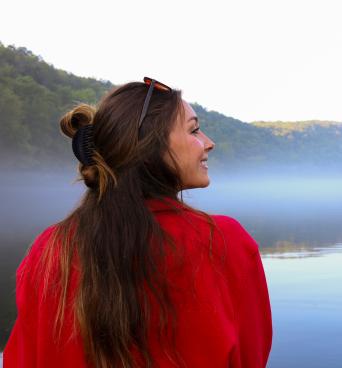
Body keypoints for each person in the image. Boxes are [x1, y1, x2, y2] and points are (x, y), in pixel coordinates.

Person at [3, 78, 272, 368]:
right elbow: (250, 356)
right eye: (194, 130)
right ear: (150, 146)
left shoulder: (51, 248)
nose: (208, 142)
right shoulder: (221, 242)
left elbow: (23, 358)